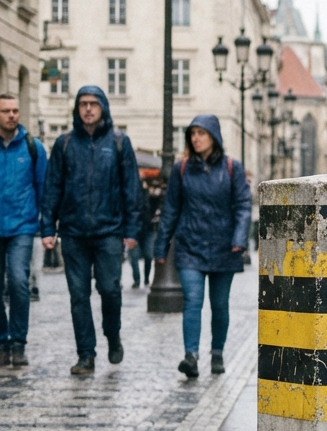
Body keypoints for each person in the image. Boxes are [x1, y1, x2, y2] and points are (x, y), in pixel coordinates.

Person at [40, 87, 140, 376]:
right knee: (78, 296)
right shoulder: (65, 143)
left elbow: (131, 189)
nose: (88, 109)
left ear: (103, 108)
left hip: (109, 231)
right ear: (77, 108)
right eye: (83, 104)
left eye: (93, 104)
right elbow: (52, 188)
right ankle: (86, 354)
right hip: (73, 232)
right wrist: (48, 227)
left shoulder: (120, 143)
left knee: (110, 290)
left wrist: (131, 229)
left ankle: (113, 334)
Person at [156, 115, 251, 378]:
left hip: (224, 247)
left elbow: (243, 205)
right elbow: (171, 209)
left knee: (220, 305)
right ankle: (191, 356)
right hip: (190, 246)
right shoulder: (182, 169)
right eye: (193, 133)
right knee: (193, 301)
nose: (196, 138)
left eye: (201, 133)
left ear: (214, 136)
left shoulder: (232, 168)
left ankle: (217, 352)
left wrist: (239, 239)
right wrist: (161, 246)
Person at [0, 94, 47, 368]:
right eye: (6, 111)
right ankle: (2, 339)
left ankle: (18, 341)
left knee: (18, 281)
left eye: (15, 110)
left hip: (22, 226)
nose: (12, 115)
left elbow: (44, 187)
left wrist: (46, 225)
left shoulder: (33, 147)